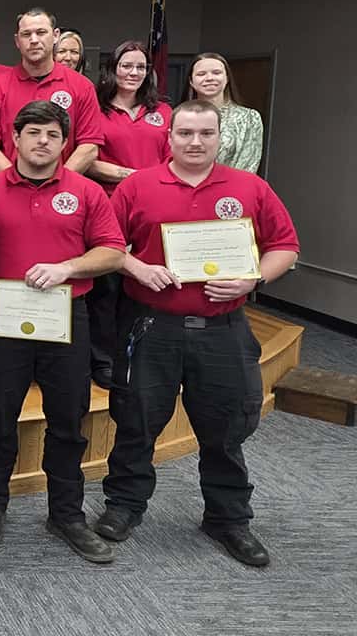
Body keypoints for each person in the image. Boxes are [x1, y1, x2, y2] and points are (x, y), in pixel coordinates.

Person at [95, 100, 299, 567]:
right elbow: (105, 244)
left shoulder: (250, 187)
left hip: (223, 329)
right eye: (185, 133)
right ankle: (124, 506)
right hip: (151, 326)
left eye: (206, 133)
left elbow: (285, 246)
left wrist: (253, 279)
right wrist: (138, 267)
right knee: (136, 421)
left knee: (226, 426)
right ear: (169, 135)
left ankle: (228, 518)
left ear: (219, 137)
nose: (195, 142)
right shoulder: (137, 186)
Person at [0, 101, 125, 563]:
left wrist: (67, 268)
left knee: (67, 420)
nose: (42, 141)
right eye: (33, 132)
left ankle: (67, 514)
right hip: (5, 321)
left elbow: (113, 253)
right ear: (14, 139)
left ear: (65, 142)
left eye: (53, 135)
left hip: (66, 317)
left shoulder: (87, 192)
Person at [86, 42, 172, 389]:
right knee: (106, 288)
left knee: (144, 284)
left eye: (140, 67)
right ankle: (103, 360)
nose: (133, 73)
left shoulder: (163, 112)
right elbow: (87, 158)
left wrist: (148, 182)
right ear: (113, 69)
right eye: (126, 66)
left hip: (153, 209)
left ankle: (137, 353)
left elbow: (173, 157)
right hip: (109, 207)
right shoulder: (96, 110)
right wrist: (131, 176)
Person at [0, 8, 103, 175]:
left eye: (41, 32)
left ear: (56, 35)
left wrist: (57, 183)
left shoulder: (82, 87)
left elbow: (89, 146)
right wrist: (16, 182)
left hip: (61, 192)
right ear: (17, 41)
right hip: (8, 190)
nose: (34, 40)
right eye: (26, 34)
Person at [183, 52, 264, 173]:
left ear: (227, 78)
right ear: (191, 81)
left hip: (231, 189)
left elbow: (249, 166)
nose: (209, 78)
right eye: (201, 74)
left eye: (216, 73)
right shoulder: (180, 117)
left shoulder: (248, 118)